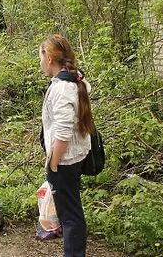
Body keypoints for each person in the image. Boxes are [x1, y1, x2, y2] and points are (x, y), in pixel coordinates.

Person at [38, 34, 93, 257]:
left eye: (40, 56)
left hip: (65, 160)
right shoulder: (74, 80)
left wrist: (53, 162)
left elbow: (63, 129)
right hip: (75, 156)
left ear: (49, 58)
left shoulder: (62, 87)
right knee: (72, 212)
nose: (39, 62)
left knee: (70, 216)